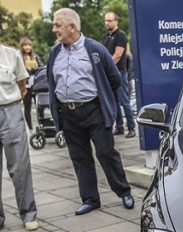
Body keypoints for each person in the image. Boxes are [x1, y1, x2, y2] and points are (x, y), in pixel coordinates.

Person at [47, 8, 134, 215]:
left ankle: (124, 192)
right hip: (68, 114)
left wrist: (107, 106)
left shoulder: (94, 49)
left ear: (72, 27)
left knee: (106, 153)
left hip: (93, 110)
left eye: (57, 25)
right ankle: (90, 199)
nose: (54, 30)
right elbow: (52, 82)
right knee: (80, 158)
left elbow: (114, 78)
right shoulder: (54, 53)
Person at [0, 33, 38, 231]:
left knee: (20, 166)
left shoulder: (11, 54)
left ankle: (28, 213)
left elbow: (22, 85)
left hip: (10, 110)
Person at [102, 12, 136, 138]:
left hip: (119, 72)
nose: (107, 23)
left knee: (124, 101)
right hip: (110, 74)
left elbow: (117, 54)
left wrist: (106, 67)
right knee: (114, 101)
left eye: (110, 20)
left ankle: (131, 127)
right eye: (106, 20)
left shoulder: (120, 35)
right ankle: (119, 126)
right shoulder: (106, 37)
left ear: (116, 21)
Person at [18, 38, 43, 131]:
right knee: (27, 107)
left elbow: (41, 68)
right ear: (22, 46)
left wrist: (34, 66)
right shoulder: (19, 57)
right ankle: (30, 128)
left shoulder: (35, 56)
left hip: (36, 86)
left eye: (29, 45)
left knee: (40, 107)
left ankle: (42, 126)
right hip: (26, 86)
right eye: (25, 45)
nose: (27, 47)